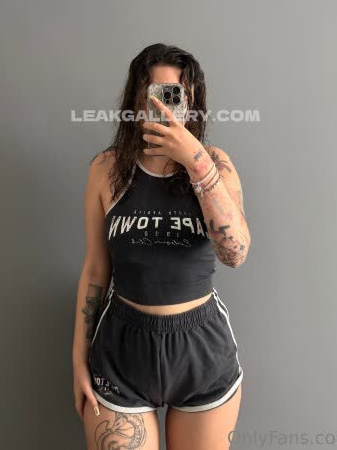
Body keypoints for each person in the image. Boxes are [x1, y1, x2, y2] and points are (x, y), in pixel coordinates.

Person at [72, 43, 251, 449]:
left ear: (192, 102)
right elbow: (96, 269)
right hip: (122, 348)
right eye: (156, 95)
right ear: (137, 100)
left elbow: (236, 253)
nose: (165, 108)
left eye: (176, 96)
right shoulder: (107, 170)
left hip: (201, 348)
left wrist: (195, 161)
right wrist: (77, 357)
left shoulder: (216, 163)